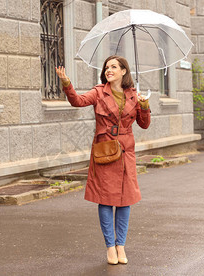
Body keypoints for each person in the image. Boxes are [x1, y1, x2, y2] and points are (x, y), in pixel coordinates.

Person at [55, 55, 151, 265]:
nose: (109, 70)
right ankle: (110, 246)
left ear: (124, 71)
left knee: (125, 200)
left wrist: (144, 105)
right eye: (107, 67)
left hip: (126, 151)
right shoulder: (99, 91)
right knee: (106, 199)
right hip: (105, 150)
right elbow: (77, 101)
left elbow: (144, 125)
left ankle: (121, 245)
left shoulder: (134, 95)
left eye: (114, 67)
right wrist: (66, 83)